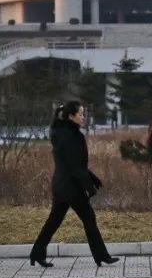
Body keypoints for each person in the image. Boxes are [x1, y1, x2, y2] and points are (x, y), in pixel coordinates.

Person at [29, 102, 119, 268]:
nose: (83, 117)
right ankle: (102, 256)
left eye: (83, 114)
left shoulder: (62, 133)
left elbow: (75, 164)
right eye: (81, 114)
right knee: (89, 218)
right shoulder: (72, 136)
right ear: (71, 116)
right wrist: (89, 186)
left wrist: (92, 179)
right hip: (71, 187)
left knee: (54, 221)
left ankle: (37, 253)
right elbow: (75, 166)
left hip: (61, 184)